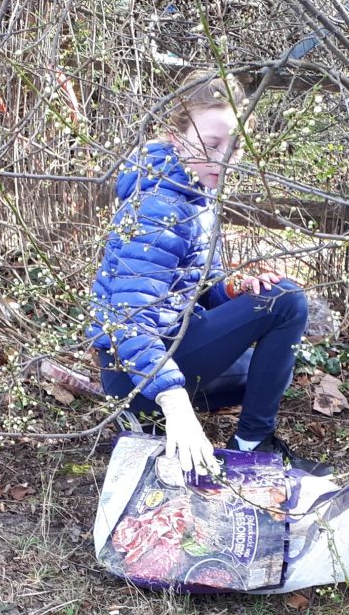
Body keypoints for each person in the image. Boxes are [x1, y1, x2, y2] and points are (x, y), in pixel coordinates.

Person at [88, 69, 328, 480]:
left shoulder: (196, 192)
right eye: (212, 143)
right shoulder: (158, 208)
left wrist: (233, 288)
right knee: (287, 303)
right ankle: (243, 444)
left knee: (269, 365)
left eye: (233, 147)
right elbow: (127, 322)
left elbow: (200, 286)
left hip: (168, 348)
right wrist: (175, 400)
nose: (223, 158)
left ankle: (235, 442)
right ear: (178, 137)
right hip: (139, 374)